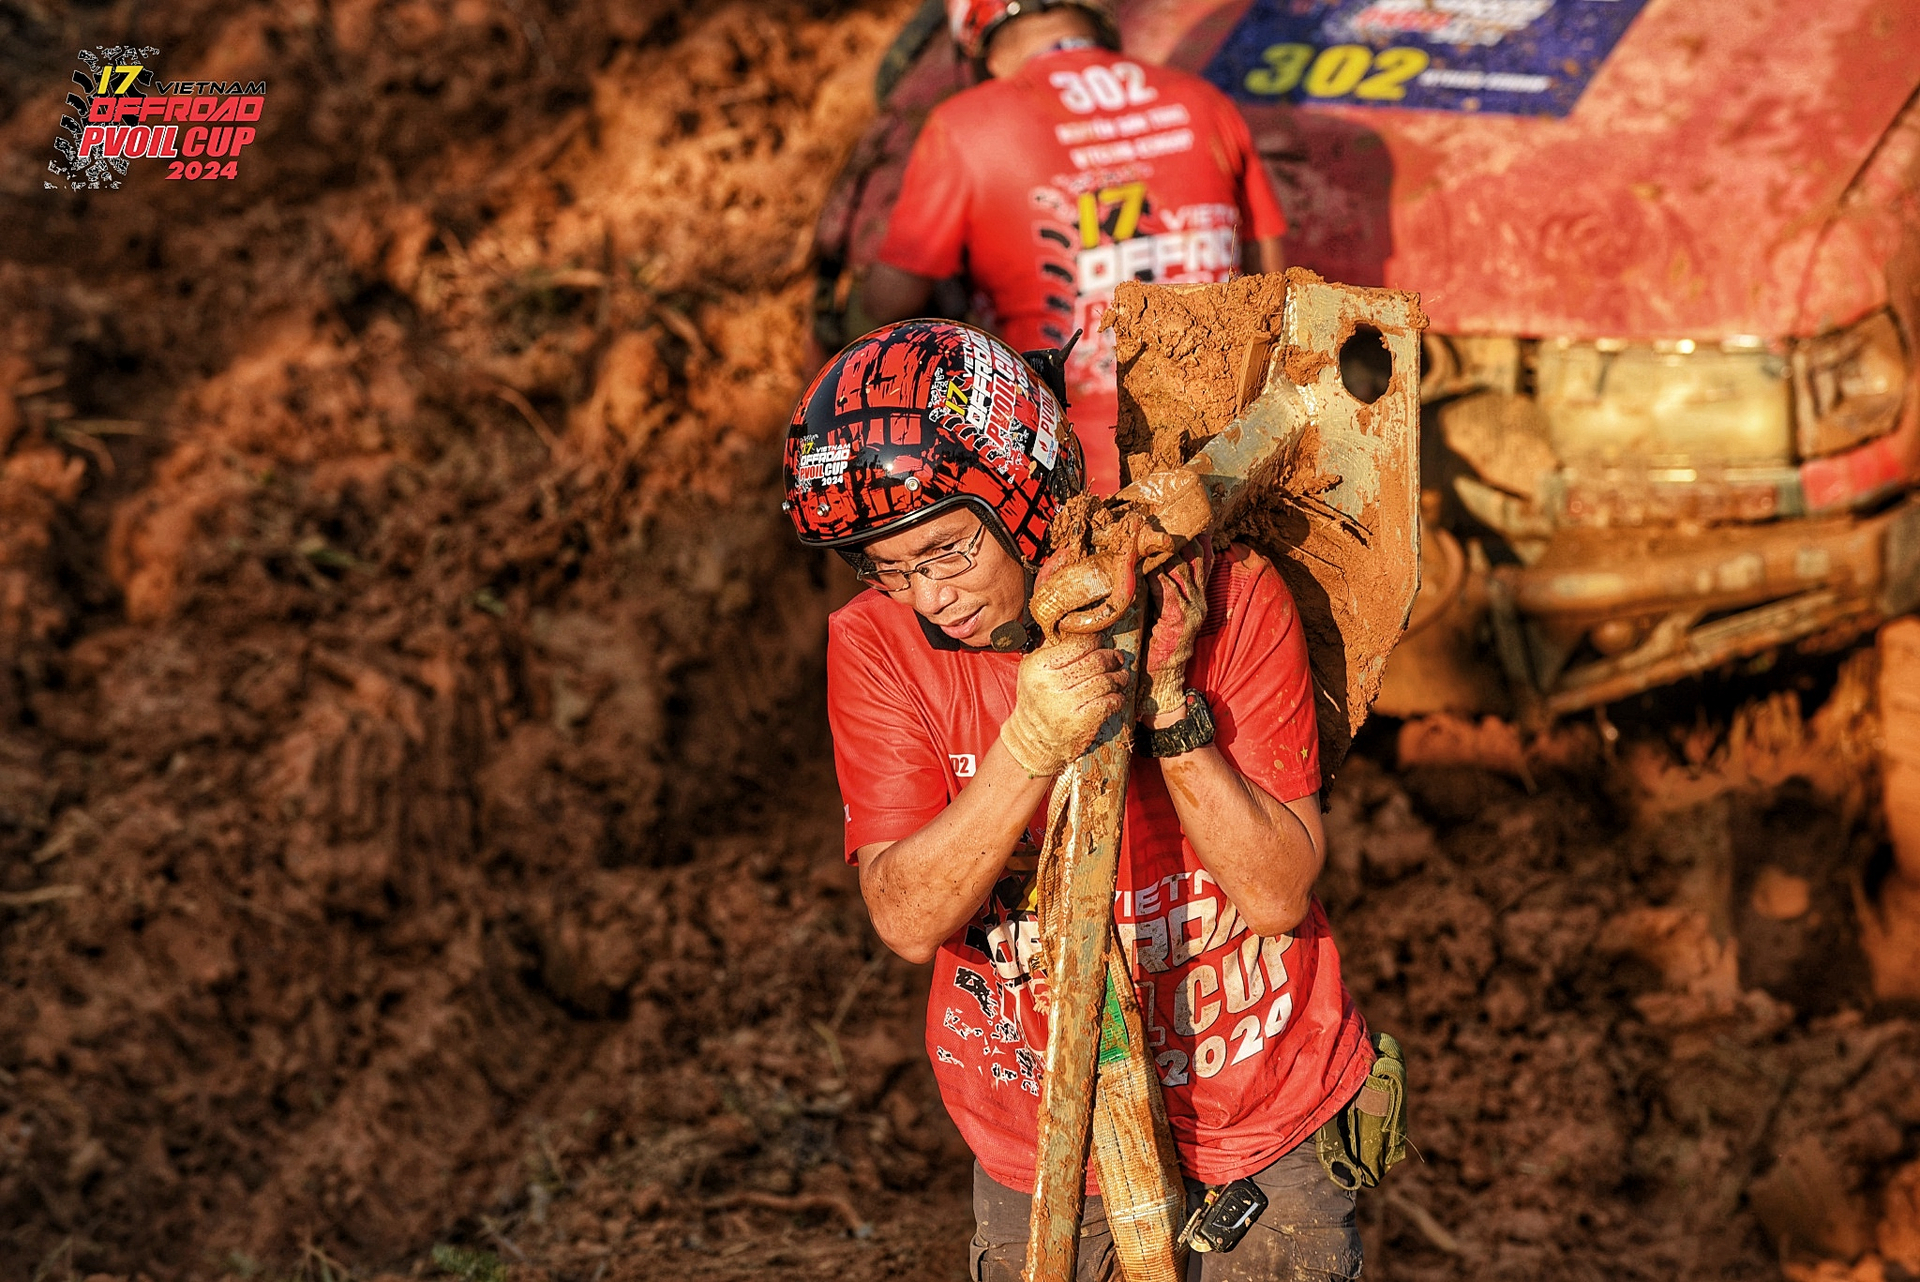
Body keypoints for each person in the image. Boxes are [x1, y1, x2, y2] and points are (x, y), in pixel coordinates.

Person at [784, 320, 1372, 1281]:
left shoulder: (1224, 595)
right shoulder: (876, 646)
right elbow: (905, 915)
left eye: (945, 553)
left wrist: (1174, 705)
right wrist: (1028, 744)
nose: (929, 597)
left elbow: (1275, 895)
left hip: (1256, 1112)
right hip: (1036, 1135)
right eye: (888, 569)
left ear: (1019, 498)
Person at [860, 0, 1289, 497]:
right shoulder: (1203, 100)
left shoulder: (963, 126)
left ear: (981, 50)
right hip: (1236, 462)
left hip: (1068, 484)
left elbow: (886, 305)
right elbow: (1277, 283)